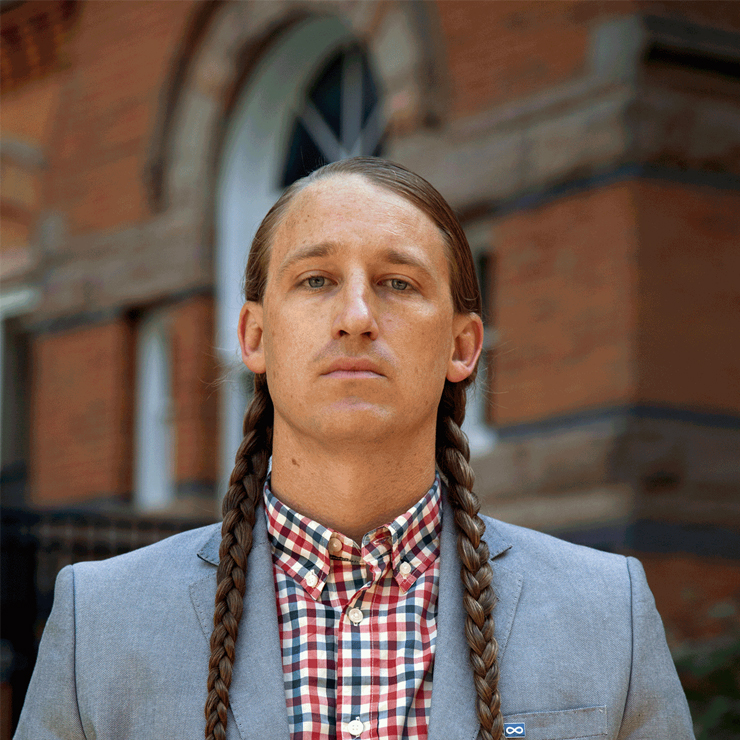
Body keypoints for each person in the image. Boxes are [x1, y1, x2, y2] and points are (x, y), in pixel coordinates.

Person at [15, 157, 694, 740]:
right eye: (316, 280)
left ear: (463, 347)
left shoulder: (609, 613)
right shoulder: (98, 623)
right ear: (255, 336)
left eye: (398, 283)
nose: (357, 317)